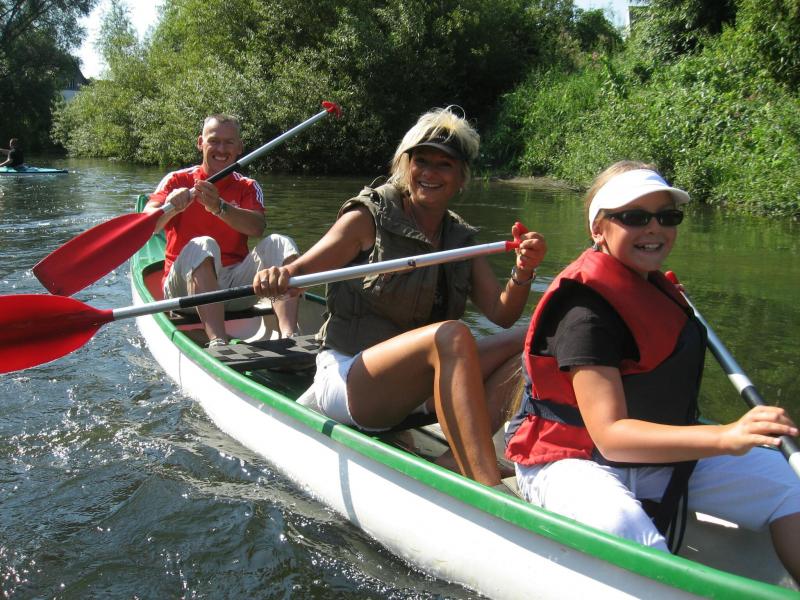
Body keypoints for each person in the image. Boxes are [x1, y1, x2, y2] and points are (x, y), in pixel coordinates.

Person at [505, 160, 800, 580]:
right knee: (624, 531)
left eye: (667, 216)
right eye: (634, 217)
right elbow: (611, 437)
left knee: (790, 483)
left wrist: (728, 440)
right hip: (572, 459)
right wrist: (725, 436)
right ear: (599, 229)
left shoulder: (655, 288)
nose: (654, 228)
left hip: (653, 453)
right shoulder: (584, 312)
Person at [252, 106, 547, 487]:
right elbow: (302, 273)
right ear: (405, 166)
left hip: (416, 388)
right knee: (452, 335)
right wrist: (279, 276)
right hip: (349, 380)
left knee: (531, 337)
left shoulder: (460, 239)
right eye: (421, 161)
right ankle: (486, 484)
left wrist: (524, 270)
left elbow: (502, 314)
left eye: (444, 165)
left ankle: (453, 461)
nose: (429, 173)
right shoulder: (367, 218)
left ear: (461, 178)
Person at [144, 114, 300, 346]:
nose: (221, 149)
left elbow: (257, 227)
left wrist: (219, 207)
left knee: (281, 242)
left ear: (239, 147)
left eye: (229, 142)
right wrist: (171, 207)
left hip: (235, 287)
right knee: (204, 244)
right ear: (200, 143)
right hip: (184, 290)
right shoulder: (177, 180)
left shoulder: (247, 186)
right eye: (214, 141)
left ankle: (290, 336)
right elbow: (146, 225)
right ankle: (218, 341)